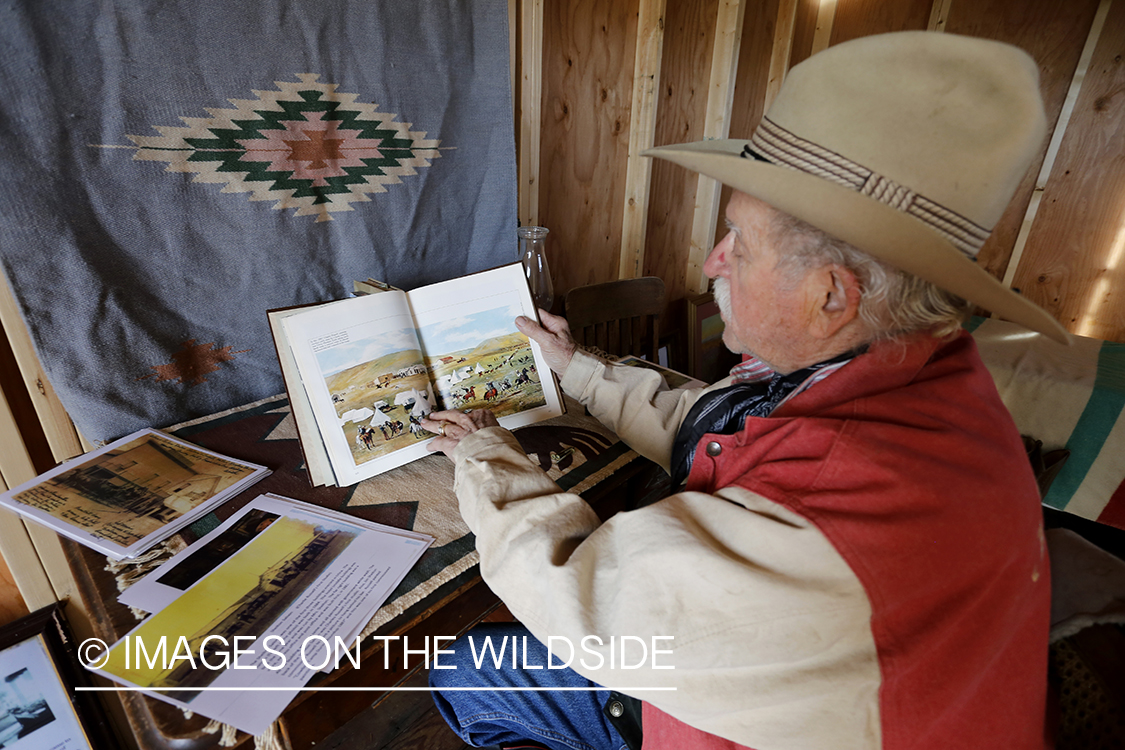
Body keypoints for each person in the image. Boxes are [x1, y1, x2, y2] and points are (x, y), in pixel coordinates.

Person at [421, 31, 1069, 750]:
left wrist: (484, 454)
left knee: (469, 669)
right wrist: (576, 368)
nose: (711, 261)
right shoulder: (919, 373)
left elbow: (579, 600)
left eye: (737, 240)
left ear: (830, 295)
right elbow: (721, 426)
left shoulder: (825, 510)